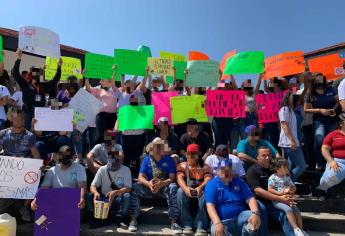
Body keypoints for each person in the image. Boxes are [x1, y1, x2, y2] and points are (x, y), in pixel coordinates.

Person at [128, 137, 182, 234]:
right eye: (157, 146)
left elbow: (172, 177)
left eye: (161, 146)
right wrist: (149, 184)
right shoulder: (146, 160)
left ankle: (174, 221)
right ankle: (133, 219)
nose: (159, 148)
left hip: (162, 187)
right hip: (149, 187)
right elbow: (140, 177)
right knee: (135, 187)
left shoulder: (169, 160)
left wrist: (162, 183)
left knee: (173, 187)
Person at [205, 159, 265, 236]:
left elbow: (250, 198)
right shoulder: (212, 184)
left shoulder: (238, 181)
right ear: (218, 172)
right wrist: (217, 223)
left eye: (230, 170)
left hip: (240, 218)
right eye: (225, 170)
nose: (228, 173)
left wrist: (255, 213)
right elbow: (210, 206)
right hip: (222, 221)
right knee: (216, 231)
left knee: (253, 218)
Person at [0, 109, 40, 222]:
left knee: (35, 175)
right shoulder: (3, 134)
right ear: (12, 119)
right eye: (18, 118)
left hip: (24, 168)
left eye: (22, 118)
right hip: (7, 168)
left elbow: (35, 153)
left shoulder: (29, 135)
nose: (21, 120)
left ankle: (24, 207)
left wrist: (37, 165)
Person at [246, 146, 295, 236]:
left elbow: (288, 180)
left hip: (277, 199)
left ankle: (294, 234)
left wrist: (290, 191)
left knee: (286, 212)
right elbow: (258, 191)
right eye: (264, 156)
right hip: (260, 200)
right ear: (257, 157)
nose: (267, 158)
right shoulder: (252, 170)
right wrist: (280, 198)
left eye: (269, 155)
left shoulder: (277, 167)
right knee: (262, 210)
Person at [13, 49, 62, 130]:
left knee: (38, 134)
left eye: (40, 72)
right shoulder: (25, 83)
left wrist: (59, 67)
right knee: (27, 132)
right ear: (31, 73)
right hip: (28, 112)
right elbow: (15, 73)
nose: (39, 74)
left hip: (40, 113)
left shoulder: (43, 85)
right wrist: (18, 59)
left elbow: (55, 80)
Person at [31, 145, 87, 211]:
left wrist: (82, 198)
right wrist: (35, 199)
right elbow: (44, 188)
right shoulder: (52, 170)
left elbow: (82, 186)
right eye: (62, 155)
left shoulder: (79, 168)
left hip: (72, 201)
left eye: (67, 156)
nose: (64, 158)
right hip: (55, 200)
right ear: (58, 156)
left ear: (72, 157)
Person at [90, 147, 131, 228]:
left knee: (127, 196)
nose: (113, 163)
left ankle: (121, 219)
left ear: (121, 160)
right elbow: (93, 186)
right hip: (104, 199)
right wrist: (95, 192)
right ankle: (99, 218)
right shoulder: (102, 169)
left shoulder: (126, 169)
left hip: (118, 199)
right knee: (89, 196)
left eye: (117, 160)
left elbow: (128, 188)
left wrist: (116, 192)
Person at [304, 73, 338, 170]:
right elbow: (306, 109)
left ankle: (334, 161)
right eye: (317, 80)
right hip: (319, 121)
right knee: (319, 139)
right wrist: (320, 110)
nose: (320, 82)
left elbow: (339, 101)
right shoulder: (309, 93)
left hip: (332, 119)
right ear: (313, 81)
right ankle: (320, 163)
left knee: (333, 141)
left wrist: (334, 110)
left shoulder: (331, 89)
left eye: (321, 79)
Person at [176, 144, 211, 235]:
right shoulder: (182, 165)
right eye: (189, 154)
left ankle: (201, 225)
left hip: (200, 193)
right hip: (188, 193)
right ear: (186, 154)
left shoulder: (205, 166)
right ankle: (187, 224)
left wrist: (200, 187)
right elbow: (179, 178)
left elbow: (208, 179)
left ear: (198, 154)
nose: (191, 156)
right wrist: (186, 188)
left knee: (206, 192)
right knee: (180, 192)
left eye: (193, 154)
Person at [268, 158, 308, 236]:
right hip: (277, 201)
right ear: (277, 168)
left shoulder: (287, 177)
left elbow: (294, 187)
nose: (287, 168)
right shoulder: (273, 177)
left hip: (288, 198)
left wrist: (291, 190)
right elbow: (270, 189)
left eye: (287, 166)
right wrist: (280, 193)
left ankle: (301, 230)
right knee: (288, 209)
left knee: (296, 211)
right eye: (285, 167)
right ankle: (295, 228)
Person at [278, 92, 306, 181]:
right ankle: (287, 183)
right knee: (301, 166)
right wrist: (292, 141)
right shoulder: (285, 109)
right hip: (290, 143)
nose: (295, 99)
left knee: (290, 166)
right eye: (293, 97)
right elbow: (284, 125)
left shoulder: (293, 110)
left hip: (296, 141)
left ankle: (287, 185)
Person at [317, 113, 345, 193]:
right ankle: (322, 191)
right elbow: (324, 148)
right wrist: (331, 161)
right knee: (327, 178)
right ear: (341, 123)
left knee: (332, 177)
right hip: (337, 161)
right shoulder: (333, 134)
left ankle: (321, 191)